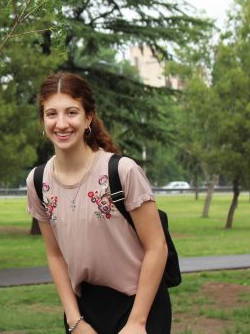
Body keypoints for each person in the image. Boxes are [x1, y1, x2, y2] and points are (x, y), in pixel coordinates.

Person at [26, 72, 171, 334]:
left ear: (88, 117)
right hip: (84, 311)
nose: (61, 124)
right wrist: (74, 320)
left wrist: (137, 323)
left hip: (139, 306)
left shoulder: (122, 172)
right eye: (51, 114)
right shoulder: (38, 181)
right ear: (42, 119)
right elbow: (55, 255)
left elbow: (157, 247)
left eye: (71, 112)